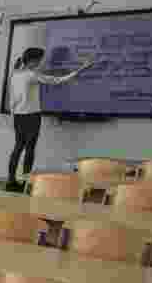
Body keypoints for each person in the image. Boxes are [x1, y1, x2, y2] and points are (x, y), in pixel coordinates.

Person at [7, 47, 95, 191]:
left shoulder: (15, 74)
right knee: (30, 149)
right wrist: (82, 69)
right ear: (34, 61)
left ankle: (11, 181)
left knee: (18, 148)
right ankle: (25, 182)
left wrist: (13, 114)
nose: (41, 63)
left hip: (18, 116)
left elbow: (13, 99)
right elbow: (57, 81)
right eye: (40, 60)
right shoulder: (31, 75)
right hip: (32, 116)